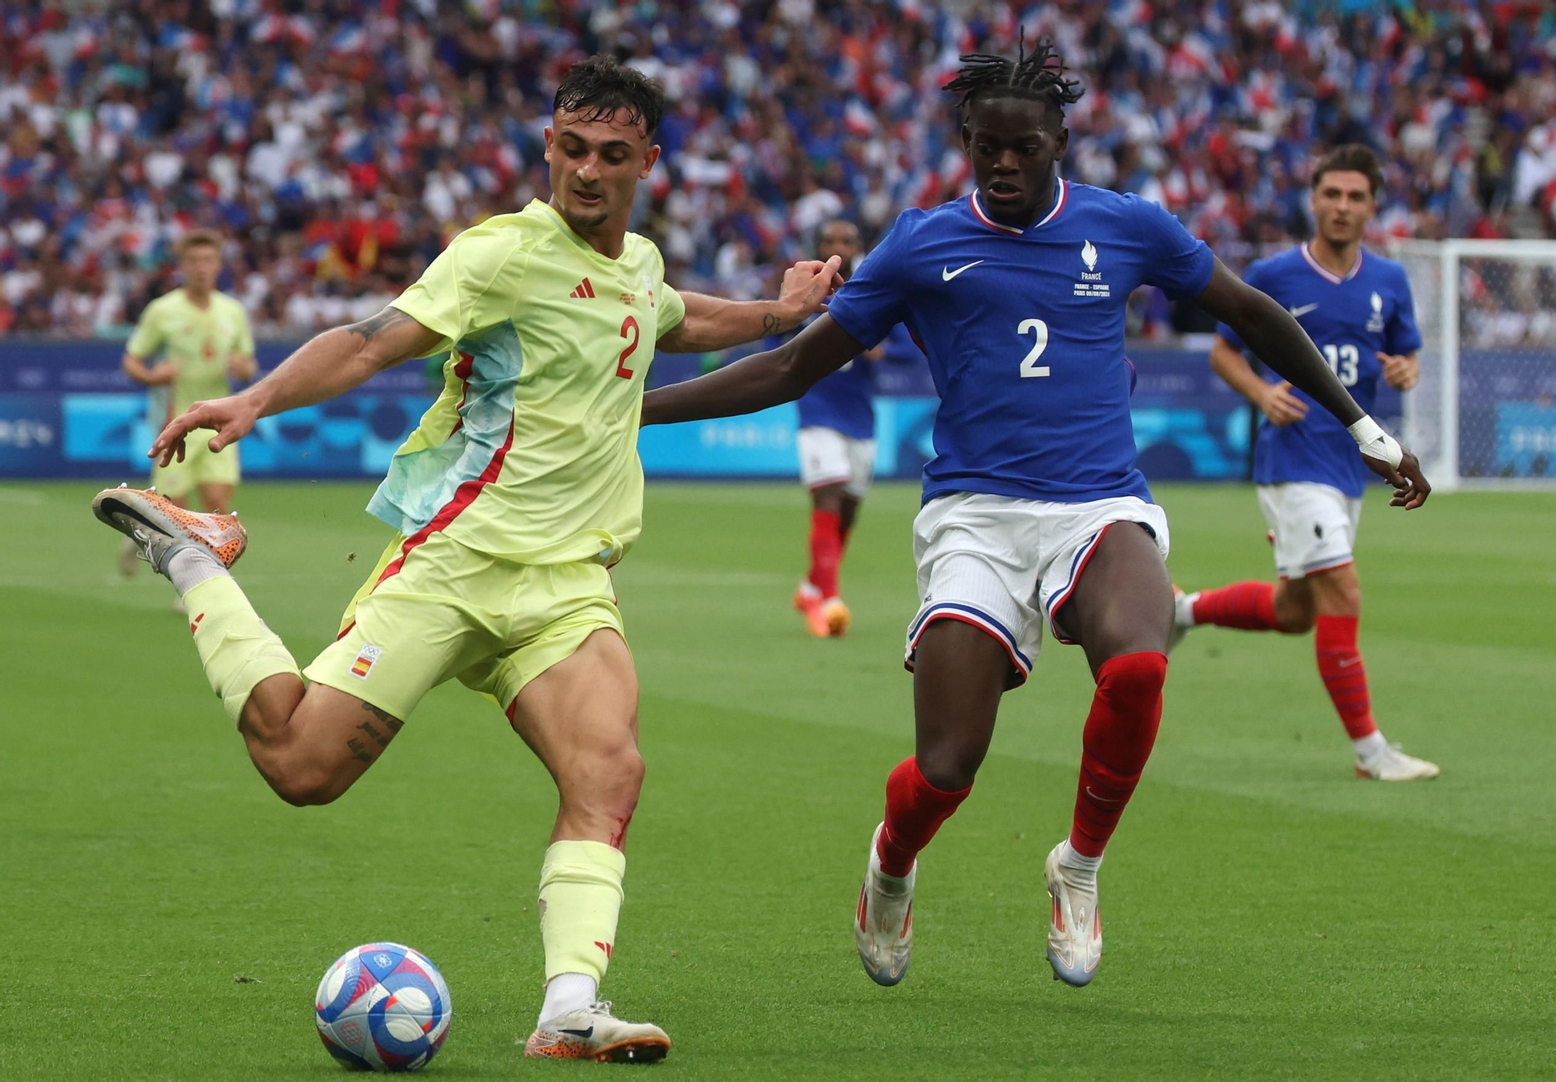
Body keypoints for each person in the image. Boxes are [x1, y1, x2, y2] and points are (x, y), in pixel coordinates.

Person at [90, 56, 840, 1064]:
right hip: (456, 560)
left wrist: (779, 313)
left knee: (609, 769)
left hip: (566, 585)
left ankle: (569, 1006)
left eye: (611, 154)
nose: (587, 170)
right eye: (571, 147)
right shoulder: (500, 254)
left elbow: (672, 314)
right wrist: (255, 399)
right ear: (548, 146)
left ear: (648, 163)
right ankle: (196, 560)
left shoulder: (638, 263)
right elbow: (370, 341)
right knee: (300, 765)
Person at [641, 41, 1428, 989]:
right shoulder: (922, 244)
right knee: (948, 766)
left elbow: (1253, 313)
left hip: (1100, 503)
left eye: (1024, 147)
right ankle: (892, 861)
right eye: (987, 148)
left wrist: (1363, 427)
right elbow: (790, 367)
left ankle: (1079, 867)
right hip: (975, 518)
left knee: (1139, 663)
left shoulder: (1126, 225)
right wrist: (635, 407)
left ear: (1059, 141)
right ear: (966, 145)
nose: (1004, 164)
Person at [1170, 145, 1439, 782]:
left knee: (1297, 611)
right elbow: (1224, 353)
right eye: (1331, 194)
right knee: (1342, 590)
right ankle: (1371, 753)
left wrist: (1406, 371)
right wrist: (1261, 393)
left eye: (1355, 196)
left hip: (1350, 467)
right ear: (1313, 200)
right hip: (1292, 462)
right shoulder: (1274, 273)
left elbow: (1405, 356)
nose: (1342, 206)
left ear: (1372, 207)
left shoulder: (1389, 280)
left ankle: (1181, 610)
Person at [118, 230, 258, 576]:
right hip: (177, 423)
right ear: (182, 265)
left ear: (218, 265)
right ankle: (141, 537)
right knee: (175, 514)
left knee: (217, 507)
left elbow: (248, 363)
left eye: (208, 260)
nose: (201, 267)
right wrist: (152, 377)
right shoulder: (163, 310)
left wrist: (243, 368)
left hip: (219, 423)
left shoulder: (232, 312)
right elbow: (132, 359)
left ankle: (192, 587)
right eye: (194, 260)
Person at [791, 219, 883, 638]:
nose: (838, 247)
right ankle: (829, 600)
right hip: (817, 410)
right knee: (827, 495)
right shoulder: (800, 288)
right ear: (816, 246)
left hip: (859, 416)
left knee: (848, 509)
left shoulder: (873, 289)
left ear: (859, 247)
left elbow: (881, 350)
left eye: (847, 240)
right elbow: (777, 340)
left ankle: (812, 586)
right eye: (829, 240)